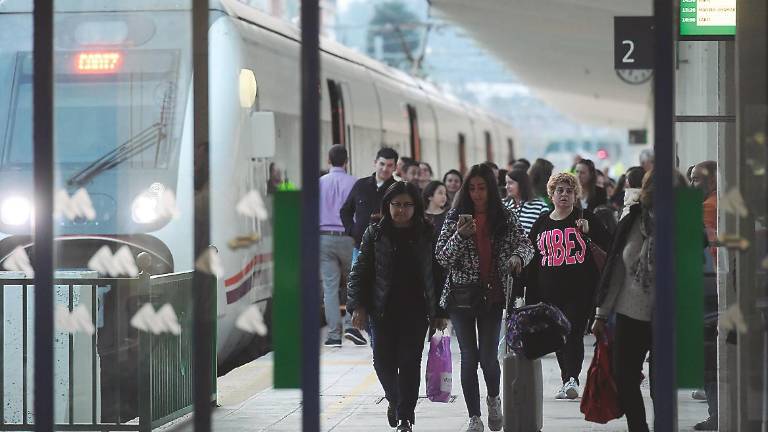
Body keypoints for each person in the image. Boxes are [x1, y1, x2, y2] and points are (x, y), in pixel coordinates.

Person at [436, 164, 534, 432]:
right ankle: (474, 417)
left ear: (491, 188)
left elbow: (527, 244)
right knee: (468, 357)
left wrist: (518, 257)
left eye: (482, 188)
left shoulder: (504, 215)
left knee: (488, 358)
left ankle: (493, 399)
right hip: (461, 297)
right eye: (472, 188)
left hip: (492, 296)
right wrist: (460, 235)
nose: (477, 194)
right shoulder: (456, 216)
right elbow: (442, 256)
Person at [347, 181, 449, 432]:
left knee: (409, 361)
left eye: (407, 205)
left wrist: (440, 312)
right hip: (382, 309)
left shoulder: (427, 233)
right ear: (387, 206)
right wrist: (357, 306)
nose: (401, 210)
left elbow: (438, 275)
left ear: (416, 207)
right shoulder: (375, 233)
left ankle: (405, 417)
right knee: (382, 362)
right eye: (396, 205)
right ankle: (395, 399)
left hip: (415, 311)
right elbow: (359, 272)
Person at [526, 172, 610, 400]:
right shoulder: (542, 221)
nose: (564, 194)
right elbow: (530, 254)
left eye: (569, 191)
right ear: (551, 194)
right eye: (559, 190)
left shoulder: (585, 218)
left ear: (576, 195)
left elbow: (610, 246)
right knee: (557, 335)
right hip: (548, 290)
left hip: (579, 289)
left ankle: (571, 378)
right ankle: (567, 379)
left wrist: (588, 232)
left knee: (571, 333)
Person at [592, 170, 655, 432]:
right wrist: (601, 314)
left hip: (667, 317)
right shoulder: (632, 219)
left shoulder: (682, 222)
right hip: (630, 314)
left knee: (663, 383)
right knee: (625, 377)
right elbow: (615, 268)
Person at [320, 145, 365, 347]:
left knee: (330, 287)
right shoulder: (355, 183)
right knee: (353, 283)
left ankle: (333, 335)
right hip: (348, 238)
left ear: (328, 161)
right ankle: (350, 326)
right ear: (346, 161)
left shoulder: (319, 183)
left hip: (324, 239)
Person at [689, 160, 719, 431]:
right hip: (716, 285)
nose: (692, 184)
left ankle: (717, 414)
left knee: (709, 357)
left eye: (696, 179)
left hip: (707, 288)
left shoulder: (705, 209)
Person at [340, 147, 398, 263]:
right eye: (382, 164)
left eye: (389, 165)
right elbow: (345, 211)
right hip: (360, 248)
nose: (385, 168)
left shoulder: (398, 189)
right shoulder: (361, 185)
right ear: (375, 163)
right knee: (357, 281)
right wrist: (352, 230)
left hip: (388, 251)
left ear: (395, 167)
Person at [503, 169, 549, 235]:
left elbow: (544, 234)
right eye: (506, 183)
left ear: (522, 184)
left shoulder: (540, 207)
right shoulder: (503, 205)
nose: (506, 186)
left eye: (510, 183)